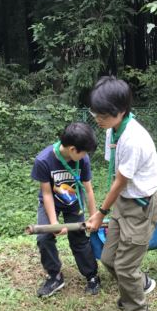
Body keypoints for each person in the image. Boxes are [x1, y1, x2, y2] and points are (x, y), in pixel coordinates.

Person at [85, 76, 157, 311]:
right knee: (108, 258)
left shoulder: (133, 139)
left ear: (120, 112)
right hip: (123, 202)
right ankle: (141, 283)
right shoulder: (113, 130)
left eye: (102, 114)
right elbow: (115, 173)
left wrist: (99, 212)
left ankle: (138, 310)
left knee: (125, 265)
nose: (97, 118)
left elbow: (120, 181)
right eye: (95, 113)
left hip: (140, 205)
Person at [31, 122, 101, 297]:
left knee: (79, 237)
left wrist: (94, 217)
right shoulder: (44, 160)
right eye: (84, 151)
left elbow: (88, 189)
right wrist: (54, 223)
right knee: (44, 237)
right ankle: (54, 276)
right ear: (72, 149)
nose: (86, 155)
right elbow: (46, 194)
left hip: (73, 202)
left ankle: (92, 276)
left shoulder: (82, 160)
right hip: (51, 202)